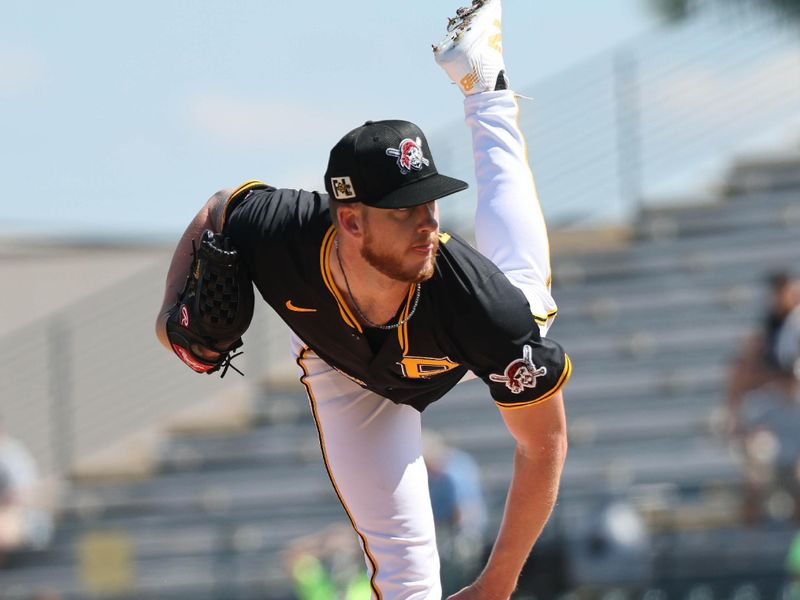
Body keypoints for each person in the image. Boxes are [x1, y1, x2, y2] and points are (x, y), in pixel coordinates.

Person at [156, 1, 570, 598]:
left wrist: (497, 583)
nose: (428, 223)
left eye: (431, 203)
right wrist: (168, 315)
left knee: (525, 294)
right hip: (344, 369)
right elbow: (221, 208)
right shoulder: (280, 233)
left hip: (454, 331)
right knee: (406, 577)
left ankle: (488, 88)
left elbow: (544, 442)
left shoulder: (477, 304)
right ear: (349, 221)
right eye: (405, 210)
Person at [725, 271, 800, 434]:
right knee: (739, 369)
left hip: (792, 378)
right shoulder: (774, 321)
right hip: (781, 373)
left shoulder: (796, 320)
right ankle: (736, 424)